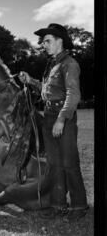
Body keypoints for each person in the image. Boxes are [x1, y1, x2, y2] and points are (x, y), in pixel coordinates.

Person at [19, 23, 88, 221]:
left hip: (61, 117)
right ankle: (58, 205)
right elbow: (46, 90)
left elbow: (73, 94)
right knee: (54, 164)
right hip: (48, 116)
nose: (44, 45)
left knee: (69, 163)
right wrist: (30, 81)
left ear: (60, 41)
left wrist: (61, 118)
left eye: (47, 41)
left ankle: (79, 206)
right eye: (43, 42)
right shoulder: (52, 65)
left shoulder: (69, 64)